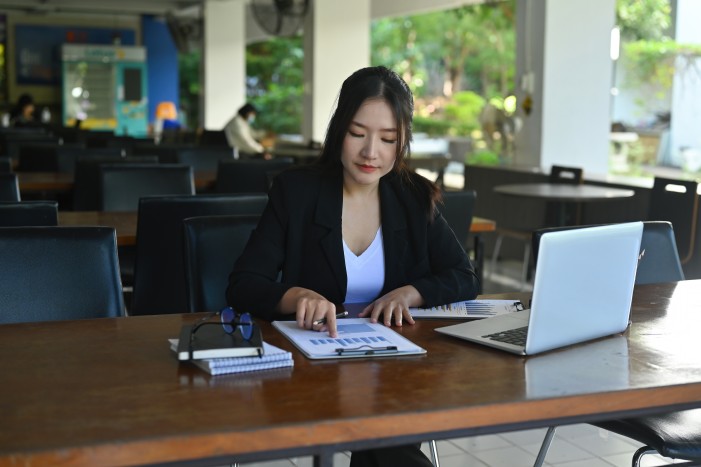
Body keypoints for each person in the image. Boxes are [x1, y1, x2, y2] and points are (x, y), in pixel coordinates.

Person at [227, 66, 480, 467]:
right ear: (338, 130)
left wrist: (411, 293)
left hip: (392, 370)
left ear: (402, 141)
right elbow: (243, 284)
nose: (371, 152)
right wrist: (296, 296)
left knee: (385, 437)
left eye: (388, 139)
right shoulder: (296, 192)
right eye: (358, 134)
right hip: (312, 372)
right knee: (387, 443)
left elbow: (463, 277)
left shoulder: (413, 197)